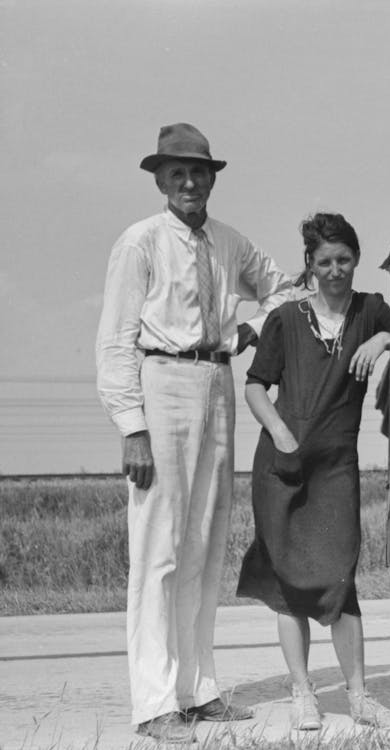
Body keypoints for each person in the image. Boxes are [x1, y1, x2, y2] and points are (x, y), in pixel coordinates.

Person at [96, 123, 294, 743]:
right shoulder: (141, 243)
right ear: (159, 179)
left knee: (204, 545)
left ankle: (197, 689)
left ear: (212, 178)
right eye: (177, 172)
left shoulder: (229, 243)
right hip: (162, 385)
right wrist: (133, 427)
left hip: (216, 386)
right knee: (158, 549)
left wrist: (250, 330)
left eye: (199, 172)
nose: (189, 182)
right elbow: (113, 341)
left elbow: (286, 288)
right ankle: (156, 702)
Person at [236, 212, 390, 731]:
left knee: (340, 581)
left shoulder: (371, 311)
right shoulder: (284, 319)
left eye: (344, 259)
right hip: (282, 466)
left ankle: (360, 697)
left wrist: (387, 341)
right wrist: (280, 432)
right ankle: (302, 692)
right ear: (309, 264)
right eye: (324, 261)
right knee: (288, 586)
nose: (335, 270)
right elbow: (255, 385)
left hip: (335, 468)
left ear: (356, 260)